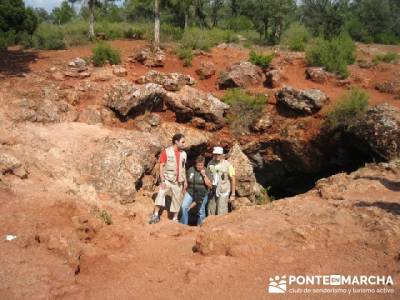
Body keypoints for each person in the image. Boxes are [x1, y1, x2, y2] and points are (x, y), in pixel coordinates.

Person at [149, 133, 187, 224]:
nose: (184, 144)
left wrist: (185, 181)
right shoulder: (166, 152)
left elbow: (183, 167)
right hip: (167, 180)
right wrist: (162, 181)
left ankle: (175, 218)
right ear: (176, 142)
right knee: (161, 194)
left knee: (177, 199)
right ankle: (156, 215)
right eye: (182, 142)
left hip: (179, 181)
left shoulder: (184, 154)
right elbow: (161, 166)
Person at [180, 155, 212, 226]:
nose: (200, 167)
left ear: (204, 164)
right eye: (198, 165)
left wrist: (204, 175)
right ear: (195, 164)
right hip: (191, 192)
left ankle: (200, 227)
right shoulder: (191, 169)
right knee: (184, 206)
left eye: (201, 165)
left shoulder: (206, 171)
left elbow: (210, 185)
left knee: (201, 210)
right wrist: (184, 186)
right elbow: (185, 177)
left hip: (202, 193)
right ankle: (184, 225)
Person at [207, 146, 236, 216]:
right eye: (215, 154)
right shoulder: (210, 163)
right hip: (212, 191)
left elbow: (233, 179)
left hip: (223, 191)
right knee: (211, 210)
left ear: (222, 154)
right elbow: (207, 176)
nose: (217, 156)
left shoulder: (228, 165)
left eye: (219, 154)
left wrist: (233, 194)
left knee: (221, 211)